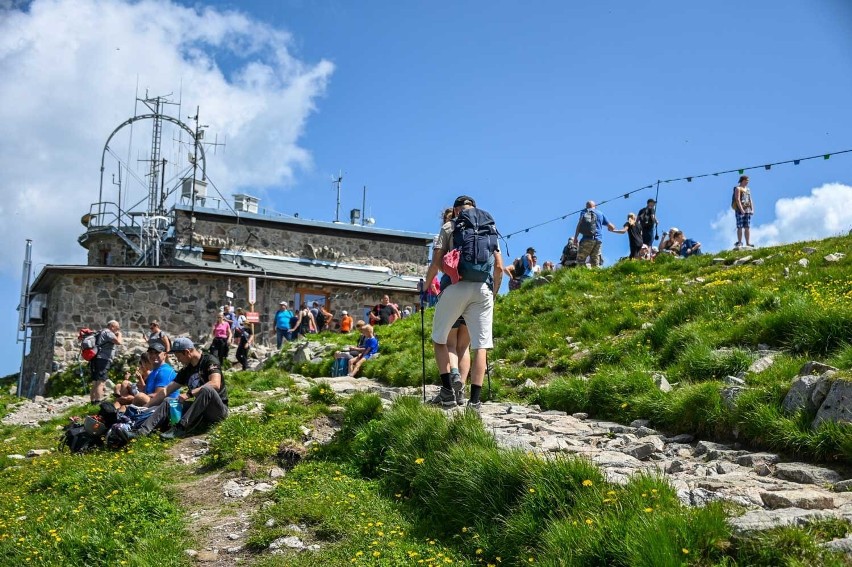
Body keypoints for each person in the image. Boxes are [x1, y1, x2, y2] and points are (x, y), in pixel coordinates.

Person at [424, 195, 503, 412]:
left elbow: (436, 262)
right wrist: (492, 293)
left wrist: (426, 286)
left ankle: (448, 392)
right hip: (483, 290)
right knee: (480, 346)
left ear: (457, 209)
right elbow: (498, 268)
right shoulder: (489, 228)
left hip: (455, 287)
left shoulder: (450, 226)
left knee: (440, 339)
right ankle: (474, 402)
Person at [132, 337, 228, 440]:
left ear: (187, 352)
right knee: (168, 401)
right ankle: (141, 432)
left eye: (178, 356)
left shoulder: (209, 361)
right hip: (200, 411)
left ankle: (180, 428)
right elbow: (166, 390)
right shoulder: (187, 369)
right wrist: (146, 407)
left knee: (207, 389)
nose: (178, 360)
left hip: (217, 410)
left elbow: (215, 384)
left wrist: (189, 394)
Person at [115, 343, 179, 408]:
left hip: (165, 406)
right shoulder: (153, 372)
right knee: (119, 402)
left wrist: (132, 399)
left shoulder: (165, 371)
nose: (153, 355)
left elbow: (159, 395)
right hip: (152, 401)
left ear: (165, 355)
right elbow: (146, 390)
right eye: (151, 353)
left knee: (140, 397)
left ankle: (126, 413)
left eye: (157, 353)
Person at [574, 201, 616, 268]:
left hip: (587, 239)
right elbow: (612, 227)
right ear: (595, 206)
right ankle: (596, 276)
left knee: (580, 260)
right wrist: (611, 229)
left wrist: (575, 238)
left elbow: (579, 225)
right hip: (598, 240)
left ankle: (582, 276)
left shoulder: (584, 212)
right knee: (595, 262)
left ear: (586, 206)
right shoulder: (600, 213)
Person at [89, 319, 122, 403]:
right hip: (103, 359)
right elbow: (118, 342)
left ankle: (93, 401)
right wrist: (119, 335)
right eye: (117, 328)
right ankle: (98, 402)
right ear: (112, 326)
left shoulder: (100, 332)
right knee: (101, 381)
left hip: (95, 358)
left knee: (95, 381)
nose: (118, 330)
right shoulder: (108, 332)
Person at [733, 175, 755, 249]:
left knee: (747, 227)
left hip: (748, 209)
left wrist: (752, 209)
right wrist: (741, 209)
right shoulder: (738, 188)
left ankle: (748, 243)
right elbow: (737, 199)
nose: (747, 182)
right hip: (740, 210)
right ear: (743, 180)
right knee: (740, 227)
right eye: (746, 180)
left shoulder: (748, 189)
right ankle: (739, 242)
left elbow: (750, 199)